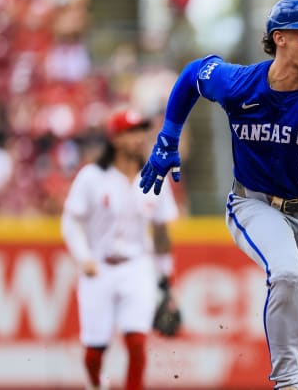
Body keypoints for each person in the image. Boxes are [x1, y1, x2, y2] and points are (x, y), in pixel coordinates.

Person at [138, 0, 298, 390]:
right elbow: (194, 74)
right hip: (254, 203)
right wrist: (167, 138)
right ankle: (286, 383)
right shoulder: (240, 83)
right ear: (279, 38)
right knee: (286, 272)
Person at [61, 109, 179, 390]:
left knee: (136, 341)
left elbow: (161, 232)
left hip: (137, 265)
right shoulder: (92, 176)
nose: (139, 137)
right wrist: (83, 257)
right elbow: (70, 221)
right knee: (94, 351)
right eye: (132, 131)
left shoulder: (155, 176)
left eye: (141, 130)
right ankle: (96, 385)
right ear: (115, 138)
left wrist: (166, 278)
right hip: (98, 267)